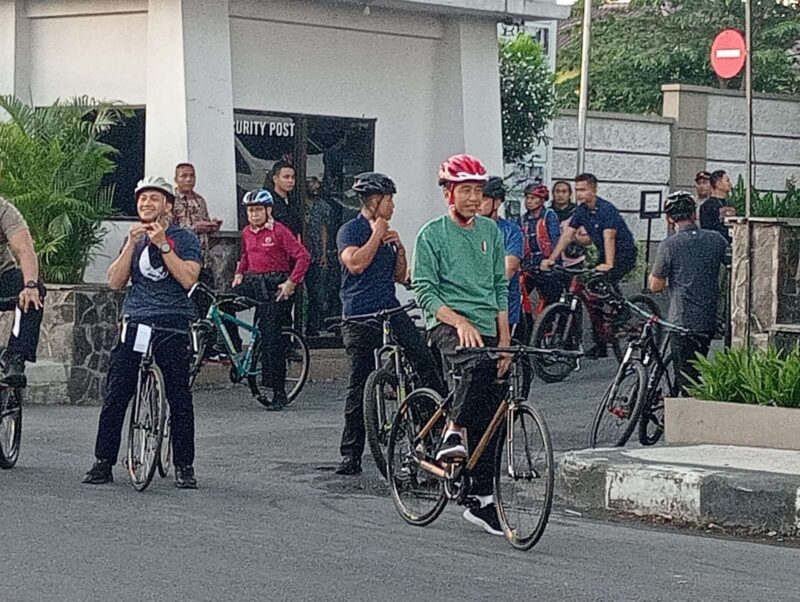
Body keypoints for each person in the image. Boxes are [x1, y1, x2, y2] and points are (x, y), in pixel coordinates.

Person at [413, 154, 510, 536]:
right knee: (478, 366)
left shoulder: (491, 232)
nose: (473, 198)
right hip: (447, 324)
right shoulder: (431, 234)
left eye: (478, 191)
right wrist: (459, 320)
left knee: (501, 401)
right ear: (448, 194)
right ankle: (453, 430)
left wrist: (504, 339)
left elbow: (501, 288)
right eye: (465, 190)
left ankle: (480, 496)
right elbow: (424, 290)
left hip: (488, 327)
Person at [83, 177, 202, 488]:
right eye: (142, 199)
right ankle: (103, 461)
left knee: (179, 396)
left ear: (168, 205)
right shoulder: (134, 239)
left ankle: (184, 466)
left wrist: (163, 244)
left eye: (154, 198)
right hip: (136, 322)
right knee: (118, 391)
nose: (147, 204)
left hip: (172, 323)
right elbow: (114, 281)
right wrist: (131, 246)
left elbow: (189, 279)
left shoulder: (184, 238)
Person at [335, 172, 444, 476]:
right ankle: (351, 453)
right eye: (390, 199)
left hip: (389, 307)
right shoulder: (351, 229)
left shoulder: (388, 235)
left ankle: (433, 431)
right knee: (359, 383)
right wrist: (376, 234)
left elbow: (399, 277)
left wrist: (400, 249)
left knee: (424, 360)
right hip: (359, 314)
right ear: (375, 201)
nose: (393, 205)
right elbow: (355, 264)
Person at [542, 173, 638, 358]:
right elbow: (567, 236)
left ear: (593, 190)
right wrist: (552, 258)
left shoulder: (606, 209)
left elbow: (608, 236)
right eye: (577, 190)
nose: (579, 194)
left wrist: (609, 264)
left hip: (624, 253)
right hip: (605, 253)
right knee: (592, 298)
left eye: (583, 189)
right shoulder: (581, 211)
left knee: (605, 280)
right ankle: (600, 344)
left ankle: (623, 311)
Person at [233, 189, 310, 410]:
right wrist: (239, 273)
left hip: (276, 285)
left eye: (258, 210)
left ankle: (278, 391)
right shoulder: (247, 232)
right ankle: (229, 348)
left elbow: (303, 257)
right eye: (250, 211)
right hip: (254, 282)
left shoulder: (279, 231)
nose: (254, 215)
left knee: (272, 338)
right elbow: (246, 256)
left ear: (268, 210)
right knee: (221, 304)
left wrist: (291, 282)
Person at [649, 192, 729, 393]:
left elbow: (655, 285)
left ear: (669, 219)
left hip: (681, 320)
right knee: (691, 369)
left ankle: (685, 417)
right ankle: (670, 417)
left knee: (687, 378)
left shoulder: (669, 245)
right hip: (709, 320)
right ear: (695, 215)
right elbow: (733, 262)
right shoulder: (716, 239)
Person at [172, 162, 238, 357]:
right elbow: (172, 231)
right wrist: (196, 227)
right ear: (176, 178)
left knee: (207, 304)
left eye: (191, 176)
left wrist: (211, 226)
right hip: (182, 260)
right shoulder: (172, 201)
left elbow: (204, 226)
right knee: (187, 304)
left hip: (203, 259)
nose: (188, 179)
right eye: (184, 176)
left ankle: (207, 348)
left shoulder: (200, 200)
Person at [0, 197, 45, 386]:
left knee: (34, 290)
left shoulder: (4, 210)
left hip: (2, 277)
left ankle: (15, 357)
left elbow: (24, 249)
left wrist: (30, 286)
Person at [478, 177, 524, 341]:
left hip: (501, 307)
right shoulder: (467, 228)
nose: (477, 203)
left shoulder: (511, 231)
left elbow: (510, 268)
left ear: (497, 202)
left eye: (483, 198)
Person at [519, 183, 563, 319]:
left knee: (551, 300)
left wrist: (551, 260)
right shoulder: (522, 219)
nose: (529, 201)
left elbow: (555, 240)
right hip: (529, 266)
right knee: (519, 295)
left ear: (542, 199)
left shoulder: (549, 215)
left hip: (547, 266)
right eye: (527, 198)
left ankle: (550, 328)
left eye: (533, 198)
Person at [304, 177, 333, 336]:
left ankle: (312, 327)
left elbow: (323, 229)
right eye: (311, 182)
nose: (315, 186)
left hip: (315, 254)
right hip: (298, 255)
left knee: (315, 292)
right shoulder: (297, 204)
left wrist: (323, 253)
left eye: (317, 183)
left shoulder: (322, 206)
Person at [551, 180, 590, 269]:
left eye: (564, 191)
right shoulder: (547, 214)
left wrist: (573, 238)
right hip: (552, 260)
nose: (560, 195)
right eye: (557, 191)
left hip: (574, 259)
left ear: (570, 194)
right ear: (553, 194)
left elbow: (587, 238)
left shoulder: (578, 213)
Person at [268, 160, 303, 237]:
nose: (290, 181)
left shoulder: (293, 201)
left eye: (293, 178)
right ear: (275, 179)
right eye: (286, 177)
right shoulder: (268, 202)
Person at [699, 169, 735, 242]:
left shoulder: (730, 203)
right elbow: (707, 229)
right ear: (718, 184)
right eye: (727, 181)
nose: (730, 184)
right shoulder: (707, 206)